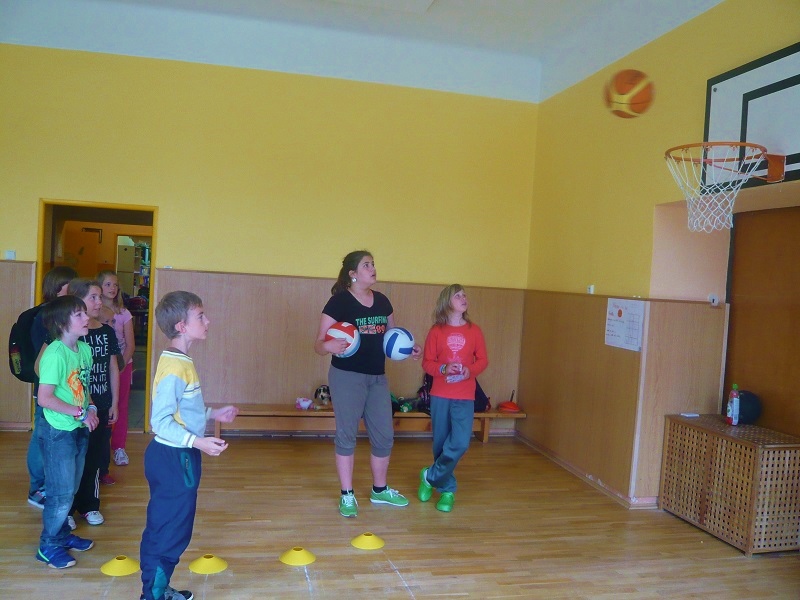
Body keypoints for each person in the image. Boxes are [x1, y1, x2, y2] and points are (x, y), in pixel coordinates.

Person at [139, 291, 238, 600]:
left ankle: (157, 589)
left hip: (178, 455)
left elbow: (183, 409)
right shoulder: (174, 366)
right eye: (200, 316)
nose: (208, 321)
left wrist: (211, 414)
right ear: (181, 326)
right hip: (173, 458)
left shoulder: (180, 360)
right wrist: (199, 442)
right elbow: (160, 421)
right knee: (170, 531)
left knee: (170, 527)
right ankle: (153, 595)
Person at [314, 250, 420, 518]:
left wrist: (408, 349)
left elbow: (392, 338)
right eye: (366, 265)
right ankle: (347, 494)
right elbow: (318, 344)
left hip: (377, 378)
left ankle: (379, 490)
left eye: (373, 264)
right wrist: (328, 345)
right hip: (346, 377)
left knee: (384, 435)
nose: (372, 268)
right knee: (346, 435)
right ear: (353, 274)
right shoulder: (338, 302)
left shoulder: (383, 301)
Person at [35, 294, 99, 569]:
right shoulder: (55, 354)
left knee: (69, 489)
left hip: (78, 428)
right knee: (60, 494)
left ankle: (61, 535)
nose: (87, 318)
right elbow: (44, 398)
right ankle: (48, 546)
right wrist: (80, 413)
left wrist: (90, 408)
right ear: (62, 323)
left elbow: (83, 388)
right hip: (58, 432)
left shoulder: (84, 350)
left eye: (85, 313)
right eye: (79, 315)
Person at [418, 284, 488, 512]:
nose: (463, 298)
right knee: (440, 444)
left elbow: (483, 360)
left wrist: (470, 371)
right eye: (458, 296)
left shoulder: (474, 331)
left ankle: (429, 476)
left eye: (464, 295)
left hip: (465, 396)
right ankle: (447, 490)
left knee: (460, 442)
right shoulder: (436, 331)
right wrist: (444, 368)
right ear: (447, 302)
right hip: (440, 395)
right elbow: (427, 363)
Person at [66, 278, 120, 526]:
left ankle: (89, 505)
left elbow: (113, 368)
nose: (100, 302)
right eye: (94, 297)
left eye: (100, 297)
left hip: (102, 403)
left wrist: (114, 402)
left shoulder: (106, 332)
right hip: (75, 408)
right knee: (72, 459)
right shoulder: (71, 334)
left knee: (95, 457)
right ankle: (67, 509)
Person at [27, 266, 78, 510]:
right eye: (71, 286)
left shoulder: (62, 313)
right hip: (49, 392)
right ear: (58, 288)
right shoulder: (46, 316)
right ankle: (37, 488)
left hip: (62, 391)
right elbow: (42, 361)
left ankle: (51, 485)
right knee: (41, 439)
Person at [98, 270, 135, 470]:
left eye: (115, 285)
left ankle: (119, 447)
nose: (112, 288)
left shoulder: (123, 313)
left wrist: (119, 368)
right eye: (108, 284)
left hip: (122, 366)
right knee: (101, 406)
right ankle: (101, 448)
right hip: (100, 368)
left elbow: (130, 345)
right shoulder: (94, 311)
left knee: (120, 406)